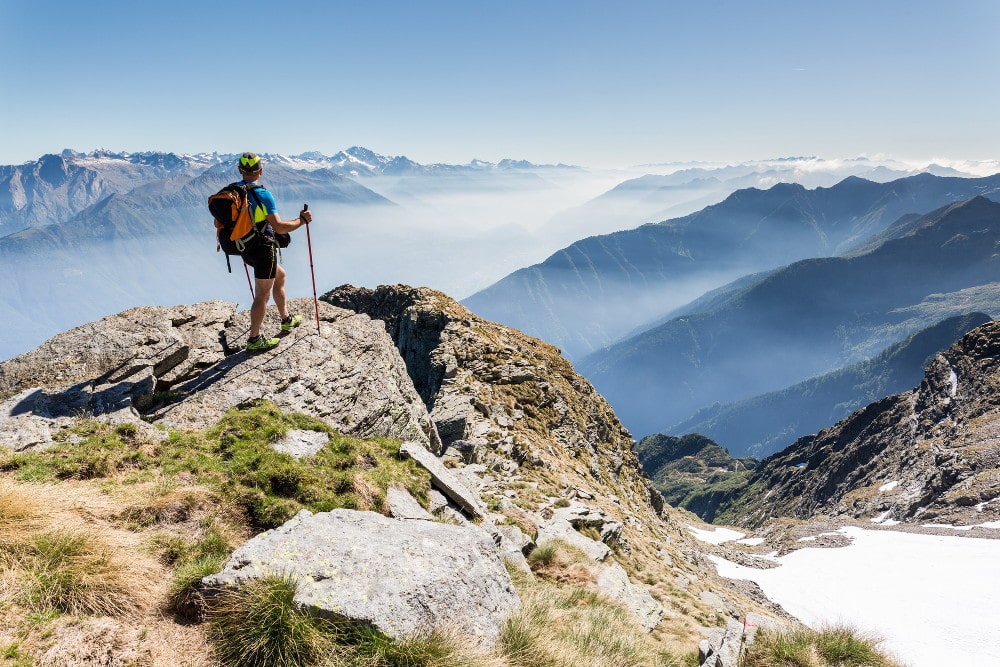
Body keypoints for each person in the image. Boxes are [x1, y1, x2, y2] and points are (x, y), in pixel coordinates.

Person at [234, 152, 313, 352]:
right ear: (260, 171)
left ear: (239, 170)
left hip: (245, 248)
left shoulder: (234, 192)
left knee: (281, 275)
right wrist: (301, 221)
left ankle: (286, 319)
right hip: (263, 250)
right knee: (262, 295)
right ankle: (254, 340)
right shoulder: (262, 194)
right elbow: (279, 227)